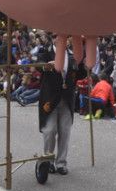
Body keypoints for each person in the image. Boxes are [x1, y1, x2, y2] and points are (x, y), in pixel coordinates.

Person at [37, 41, 87, 175]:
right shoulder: (46, 52)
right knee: (49, 131)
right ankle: (48, 161)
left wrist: (84, 63)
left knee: (65, 132)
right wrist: (45, 67)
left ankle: (61, 163)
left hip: (67, 99)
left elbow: (81, 74)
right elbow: (38, 65)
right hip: (50, 99)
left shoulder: (72, 55)